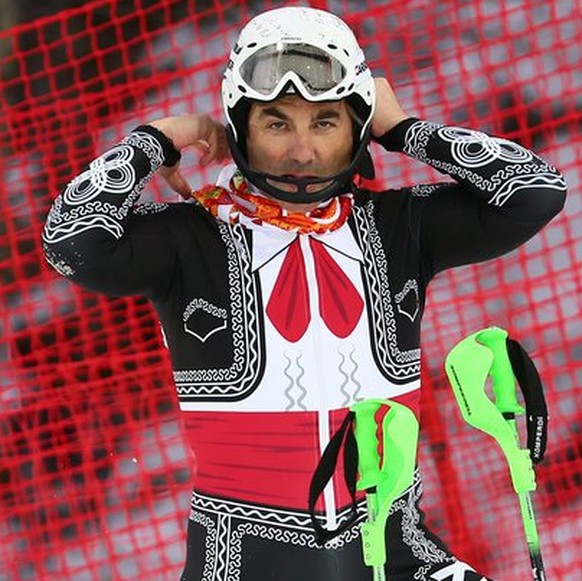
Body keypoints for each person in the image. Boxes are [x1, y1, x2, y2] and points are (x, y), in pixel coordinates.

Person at [42, 6, 566, 581]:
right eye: (276, 124)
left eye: (324, 123)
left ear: (356, 128)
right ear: (240, 127)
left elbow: (536, 192)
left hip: (397, 550)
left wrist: (406, 131)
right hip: (242, 560)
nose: (302, 153)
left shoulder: (400, 226)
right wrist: (161, 139)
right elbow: (72, 242)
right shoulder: (186, 238)